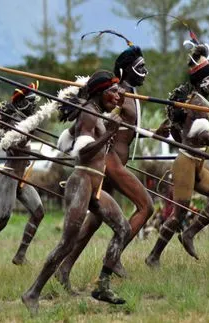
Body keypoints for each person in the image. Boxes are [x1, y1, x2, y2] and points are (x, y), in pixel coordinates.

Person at [56, 42, 169, 292]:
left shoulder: (130, 95)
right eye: (140, 67)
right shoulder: (119, 95)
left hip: (112, 161)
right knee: (146, 206)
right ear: (126, 70)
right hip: (110, 163)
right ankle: (113, 258)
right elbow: (101, 119)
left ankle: (64, 268)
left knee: (95, 218)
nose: (145, 72)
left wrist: (154, 133)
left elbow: (127, 131)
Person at [22, 71, 130, 314]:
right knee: (66, 243)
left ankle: (103, 285)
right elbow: (82, 152)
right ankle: (32, 292)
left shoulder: (93, 112)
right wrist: (110, 134)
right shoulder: (90, 113)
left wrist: (106, 130)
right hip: (81, 181)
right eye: (112, 92)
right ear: (101, 92)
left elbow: (68, 140)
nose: (117, 96)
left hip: (95, 185)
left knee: (123, 228)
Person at [145, 42, 209, 267]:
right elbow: (204, 138)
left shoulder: (193, 102)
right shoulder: (198, 104)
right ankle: (153, 256)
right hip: (186, 162)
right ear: (200, 82)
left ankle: (188, 234)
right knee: (179, 211)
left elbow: (179, 131)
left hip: (197, 162)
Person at [0, 83, 45, 265]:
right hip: (9, 175)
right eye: (31, 102)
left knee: (38, 212)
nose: (34, 107)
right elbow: (10, 145)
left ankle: (20, 255)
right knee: (3, 218)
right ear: (21, 104)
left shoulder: (26, 122)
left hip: (21, 176)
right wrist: (27, 135)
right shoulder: (12, 123)